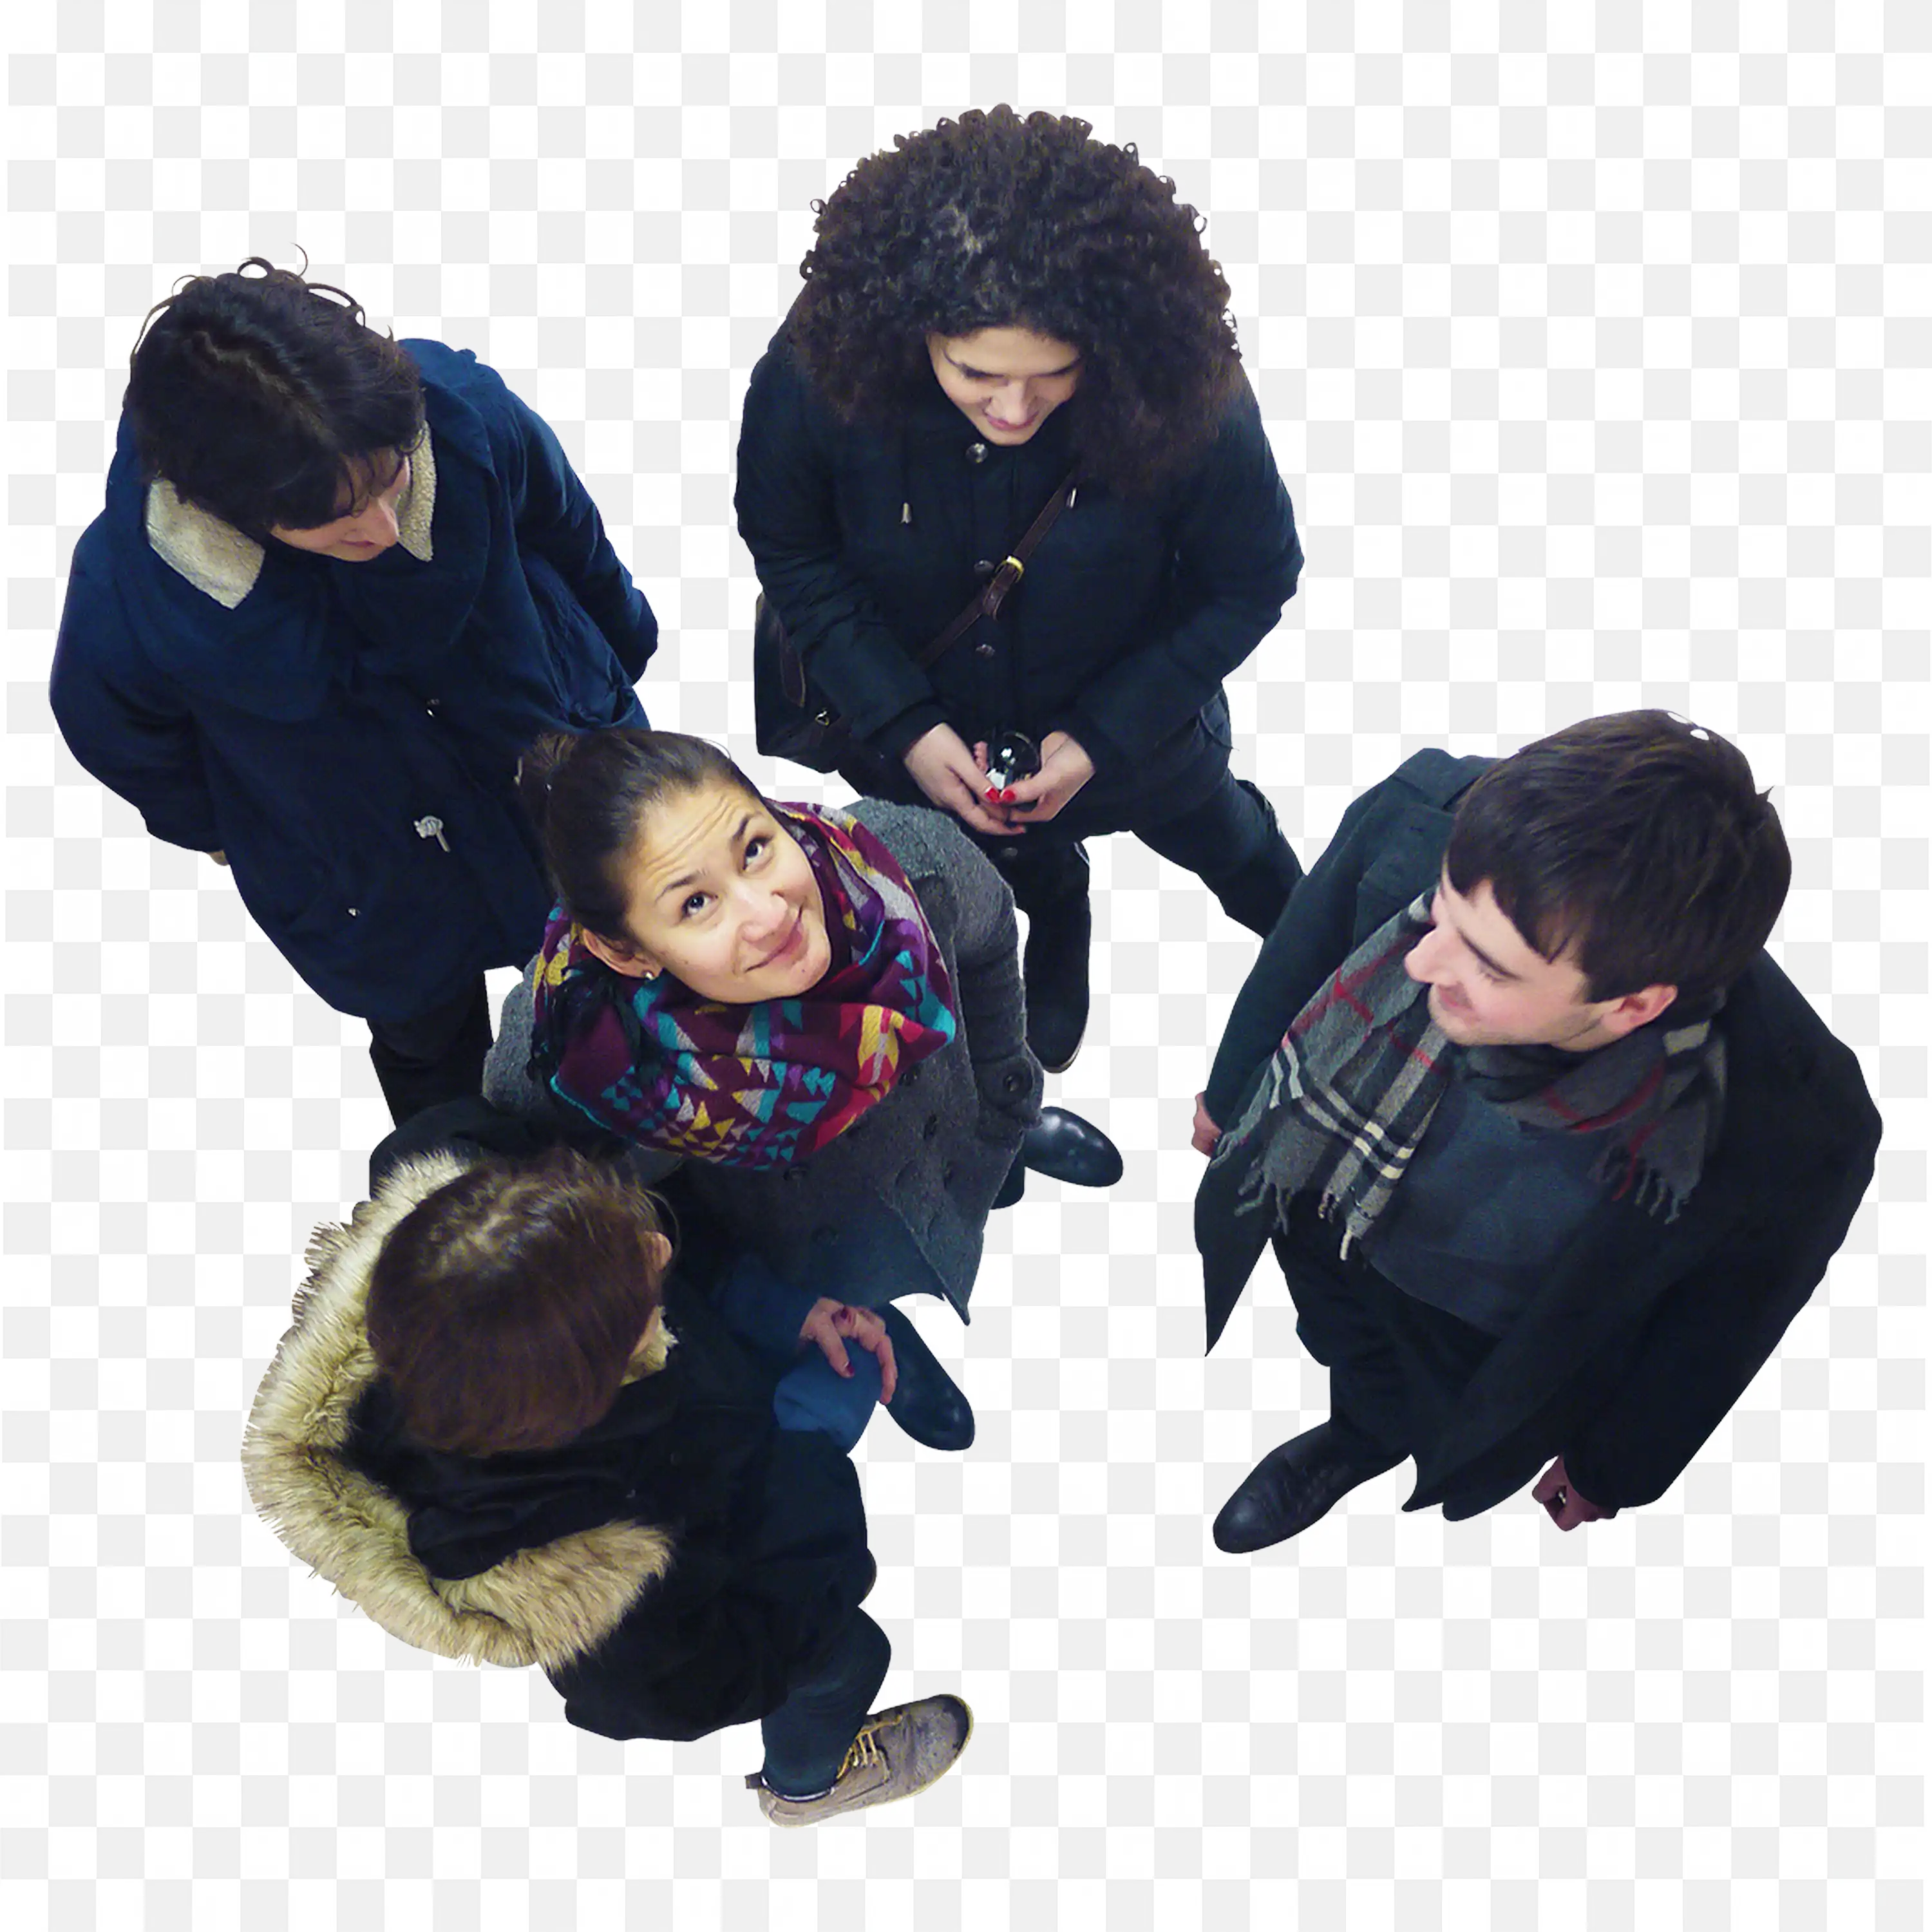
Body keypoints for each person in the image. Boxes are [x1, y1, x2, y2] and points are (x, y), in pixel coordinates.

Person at [1191, 712, 1883, 1549]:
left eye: (1489, 963)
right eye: (1440, 909)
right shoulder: (1435, 808)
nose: (1417, 960)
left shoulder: (1797, 1120)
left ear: (1632, 1006)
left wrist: (1616, 1464)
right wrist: (1234, 1097)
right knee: (1342, 1332)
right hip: (1330, 1186)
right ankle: (1360, 1422)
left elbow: (1728, 1319)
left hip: (1486, 1313)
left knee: (1434, 1393)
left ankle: (1368, 1439)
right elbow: (1304, 942)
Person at [734, 105, 1305, 1072]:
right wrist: (906, 726)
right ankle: (1054, 909)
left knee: (1228, 838)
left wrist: (1104, 733)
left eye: (1053, 376)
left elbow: (1253, 580)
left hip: (1137, 722)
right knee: (992, 861)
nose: (1013, 408)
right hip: (920, 714)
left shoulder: (1182, 383)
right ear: (912, 327)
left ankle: (1317, 954)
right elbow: (794, 554)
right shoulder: (815, 373)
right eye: (975, 372)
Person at [49, 258, 658, 1123]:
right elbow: (113, 730)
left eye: (391, 477)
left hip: (550, 760)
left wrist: (616, 652)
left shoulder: (462, 410)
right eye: (335, 517)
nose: (378, 525)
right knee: (427, 1052)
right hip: (359, 869)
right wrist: (229, 832)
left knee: (621, 992)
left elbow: (567, 527)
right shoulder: (131, 586)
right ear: (224, 504)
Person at [242, 1140, 973, 1826]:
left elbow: (659, 1257)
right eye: (638, 1300)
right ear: (587, 1396)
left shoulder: (493, 1272)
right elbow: (715, 1679)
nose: (657, 1246)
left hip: (724, 1428)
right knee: (848, 1662)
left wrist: (782, 1311)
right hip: (756, 1569)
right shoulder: (611, 1615)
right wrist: (808, 1455)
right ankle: (803, 1784)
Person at [482, 726, 1124, 1450]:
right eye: (695, 905)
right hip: (808, 1235)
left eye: (754, 848)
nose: (768, 914)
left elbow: (989, 936)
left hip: (956, 1107)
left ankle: (1019, 1146)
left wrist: (1006, 1085)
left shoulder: (897, 861)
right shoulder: (585, 1064)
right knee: (860, 1281)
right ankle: (877, 1327)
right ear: (623, 951)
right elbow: (615, 1220)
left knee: (989, 1174)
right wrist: (782, 1307)